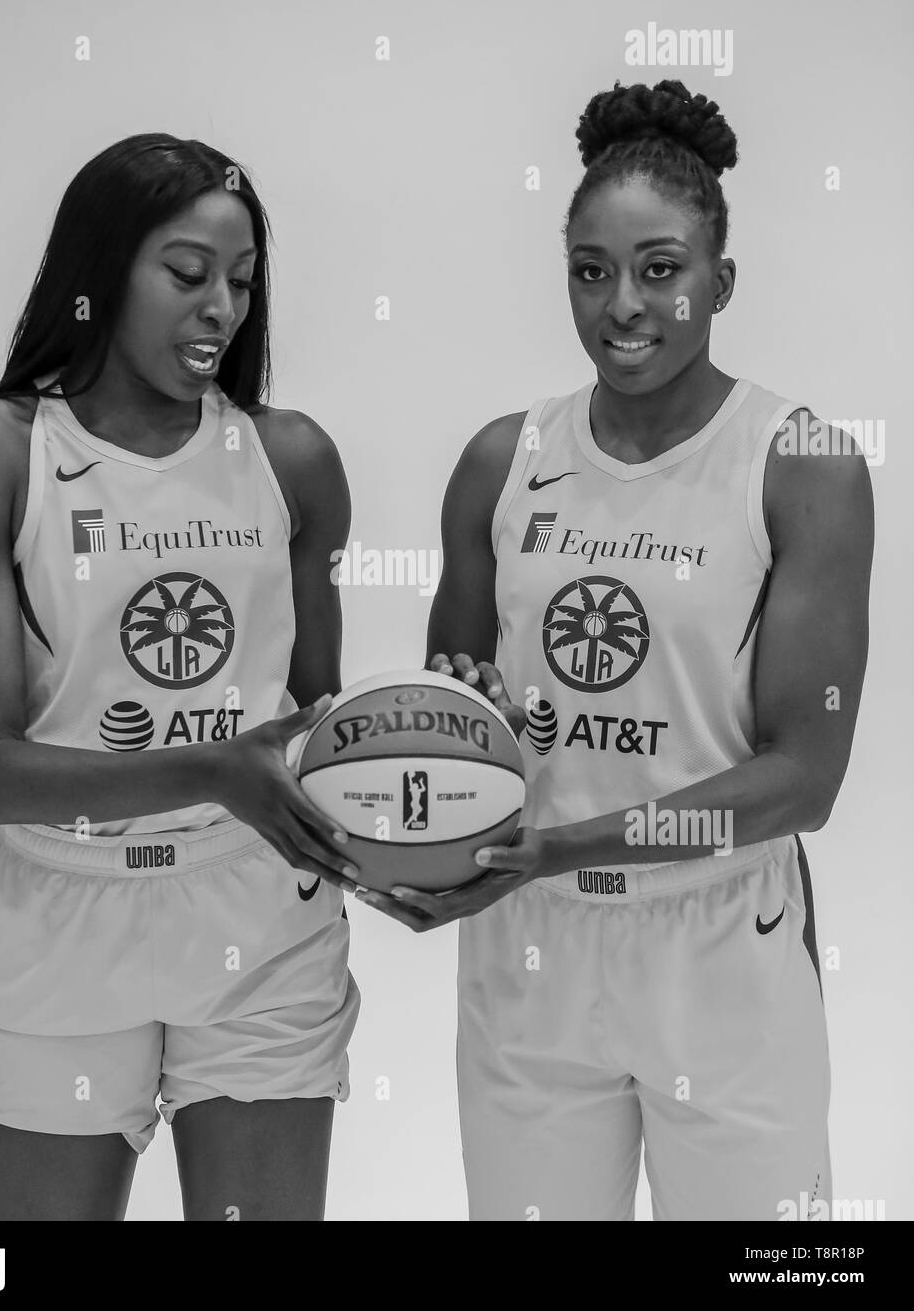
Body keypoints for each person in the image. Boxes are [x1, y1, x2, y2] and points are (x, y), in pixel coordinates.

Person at [362, 80, 873, 1221]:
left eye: (660, 268)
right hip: (531, 949)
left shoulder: (800, 465)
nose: (623, 305)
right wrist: (434, 818)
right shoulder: (504, 459)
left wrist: (560, 845)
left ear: (719, 282)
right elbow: (450, 721)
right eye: (591, 271)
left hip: (719, 942)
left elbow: (806, 779)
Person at [0, 134, 361, 1221]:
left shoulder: (288, 458)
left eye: (242, 282)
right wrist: (214, 767)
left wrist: (423, 761)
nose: (220, 308)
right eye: (188, 272)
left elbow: (309, 730)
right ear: (101, 269)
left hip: (258, 913)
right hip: (58, 913)